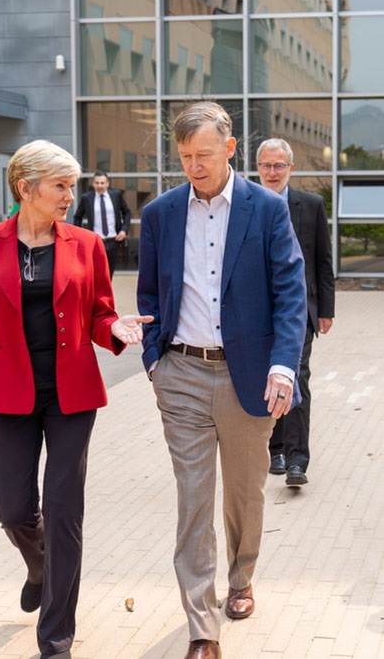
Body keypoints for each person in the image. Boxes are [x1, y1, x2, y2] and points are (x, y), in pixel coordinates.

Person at [0, 140, 152, 659]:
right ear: (26, 189)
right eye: (61, 186)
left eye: (72, 185)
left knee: (65, 510)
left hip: (72, 394)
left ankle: (55, 639)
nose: (70, 195)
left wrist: (113, 326)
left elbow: (98, 313)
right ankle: (40, 566)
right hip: (10, 394)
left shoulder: (87, 244)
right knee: (12, 508)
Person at [137, 102, 307, 659]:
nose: (194, 166)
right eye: (185, 157)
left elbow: (290, 291)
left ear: (231, 149)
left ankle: (241, 577)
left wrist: (283, 366)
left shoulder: (265, 209)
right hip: (181, 371)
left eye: (204, 154)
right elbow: (148, 295)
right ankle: (201, 626)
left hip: (248, 376)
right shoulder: (162, 213)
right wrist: (154, 360)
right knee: (192, 498)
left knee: (244, 491)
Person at [257, 138, 335, 486]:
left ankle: (296, 460)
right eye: (266, 165)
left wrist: (326, 308)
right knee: (266, 378)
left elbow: (322, 259)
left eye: (279, 166)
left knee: (296, 378)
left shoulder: (312, 204)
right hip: (257, 311)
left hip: (300, 310)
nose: (272, 172)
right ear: (258, 168)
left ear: (290, 168)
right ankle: (273, 448)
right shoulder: (246, 203)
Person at [73, 170, 131, 278]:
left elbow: (127, 212)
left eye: (102, 183)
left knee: (109, 273)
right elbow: (77, 217)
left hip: (113, 241)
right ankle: (94, 294)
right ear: (93, 183)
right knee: (95, 273)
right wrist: (81, 237)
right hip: (95, 242)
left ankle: (106, 295)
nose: (100, 186)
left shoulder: (116, 195)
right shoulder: (86, 198)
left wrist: (124, 229)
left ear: (107, 184)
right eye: (97, 183)